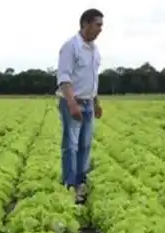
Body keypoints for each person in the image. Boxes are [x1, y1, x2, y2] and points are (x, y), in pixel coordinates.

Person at [56, 8, 104, 204]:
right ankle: (70, 184)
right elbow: (64, 77)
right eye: (98, 25)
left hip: (88, 102)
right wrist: (72, 103)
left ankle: (80, 181)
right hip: (72, 102)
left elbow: (92, 79)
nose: (100, 29)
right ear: (85, 24)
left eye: (101, 25)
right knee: (71, 145)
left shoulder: (94, 50)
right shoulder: (71, 46)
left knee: (85, 145)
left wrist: (96, 101)